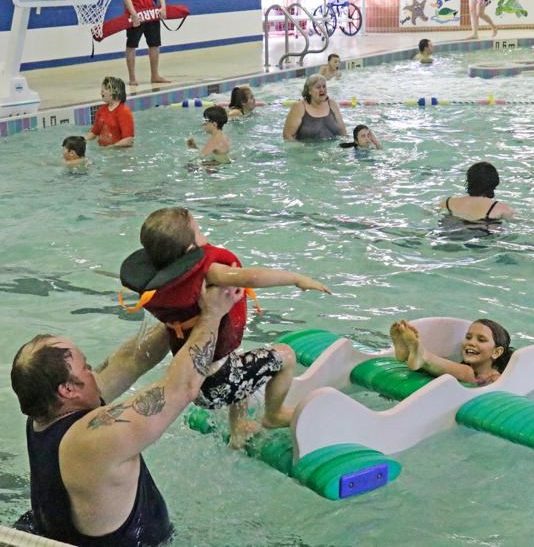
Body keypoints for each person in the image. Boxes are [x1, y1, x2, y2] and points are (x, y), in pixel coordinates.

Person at [10, 285, 242, 546]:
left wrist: (185, 316)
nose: (91, 369)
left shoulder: (46, 408)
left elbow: (132, 359)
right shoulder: (92, 439)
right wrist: (212, 315)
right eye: (85, 366)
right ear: (67, 390)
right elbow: (181, 388)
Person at [119, 207, 331, 447]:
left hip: (193, 380)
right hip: (220, 381)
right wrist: (296, 279)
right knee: (286, 355)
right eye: (198, 231)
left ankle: (238, 428)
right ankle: (274, 414)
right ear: (189, 249)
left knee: (242, 364)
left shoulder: (164, 281)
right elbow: (251, 277)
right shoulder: (208, 273)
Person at [390, 318, 512, 386]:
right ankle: (409, 354)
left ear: (496, 352)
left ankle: (421, 356)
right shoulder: (459, 368)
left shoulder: (495, 378)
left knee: (467, 372)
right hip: (457, 380)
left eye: (481, 340)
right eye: (468, 337)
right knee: (464, 370)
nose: (471, 342)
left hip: (476, 386)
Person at [119, 0, 170, 86]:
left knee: (154, 44)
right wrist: (133, 13)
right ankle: (132, 77)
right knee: (132, 45)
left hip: (151, 11)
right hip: (136, 13)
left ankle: (155, 75)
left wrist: (163, 6)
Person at [439, 161, 513, 222]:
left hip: (449, 231)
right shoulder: (500, 208)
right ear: (494, 182)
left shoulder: (448, 202)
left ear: (469, 181)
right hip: (481, 234)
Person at [282, 74, 347, 141]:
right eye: (318, 87)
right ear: (309, 91)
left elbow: (343, 132)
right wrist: (301, 149)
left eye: (324, 86)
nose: (322, 90)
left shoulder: (332, 104)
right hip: (307, 149)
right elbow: (287, 136)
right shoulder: (299, 107)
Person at [84, 77, 134, 148]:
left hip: (119, 152)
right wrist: (81, 141)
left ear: (115, 92)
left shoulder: (124, 112)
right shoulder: (101, 111)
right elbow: (94, 133)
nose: (101, 91)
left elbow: (128, 140)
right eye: (102, 89)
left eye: (106, 89)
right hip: (104, 151)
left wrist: (111, 148)